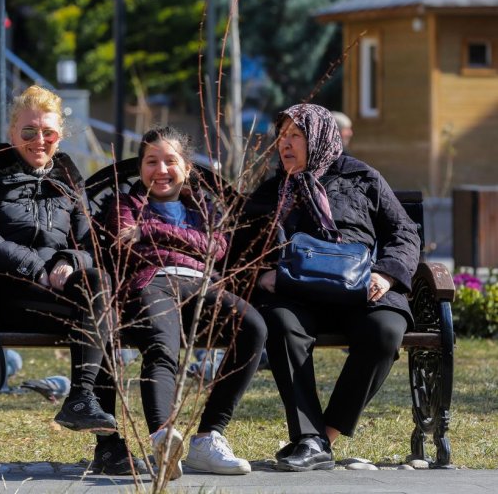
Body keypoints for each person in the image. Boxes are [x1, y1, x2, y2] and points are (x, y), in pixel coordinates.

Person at [0, 86, 144, 474]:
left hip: (62, 296)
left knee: (99, 288)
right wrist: (35, 266)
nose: (39, 141)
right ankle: (106, 442)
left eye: (48, 133)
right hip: (5, 293)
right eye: (29, 132)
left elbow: (89, 239)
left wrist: (71, 260)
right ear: (12, 132)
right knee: (100, 310)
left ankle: (82, 402)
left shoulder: (67, 171)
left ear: (59, 136)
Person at [244, 104, 420, 472]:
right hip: (296, 290)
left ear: (319, 137)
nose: (285, 145)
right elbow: (241, 244)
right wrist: (260, 274)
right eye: (281, 136)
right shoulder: (272, 190)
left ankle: (323, 435)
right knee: (280, 324)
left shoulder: (362, 177)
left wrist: (386, 275)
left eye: (295, 135)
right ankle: (309, 440)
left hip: (361, 285)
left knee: (385, 331)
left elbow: (403, 232)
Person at [103, 126, 267, 478]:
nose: (161, 170)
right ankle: (164, 439)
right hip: (152, 284)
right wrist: (185, 242)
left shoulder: (202, 206)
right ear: (139, 167)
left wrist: (150, 231)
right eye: (151, 161)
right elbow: (124, 246)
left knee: (252, 326)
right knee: (162, 345)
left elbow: (215, 248)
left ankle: (208, 438)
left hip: (200, 288)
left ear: (187, 168)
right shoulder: (126, 204)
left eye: (170, 161)